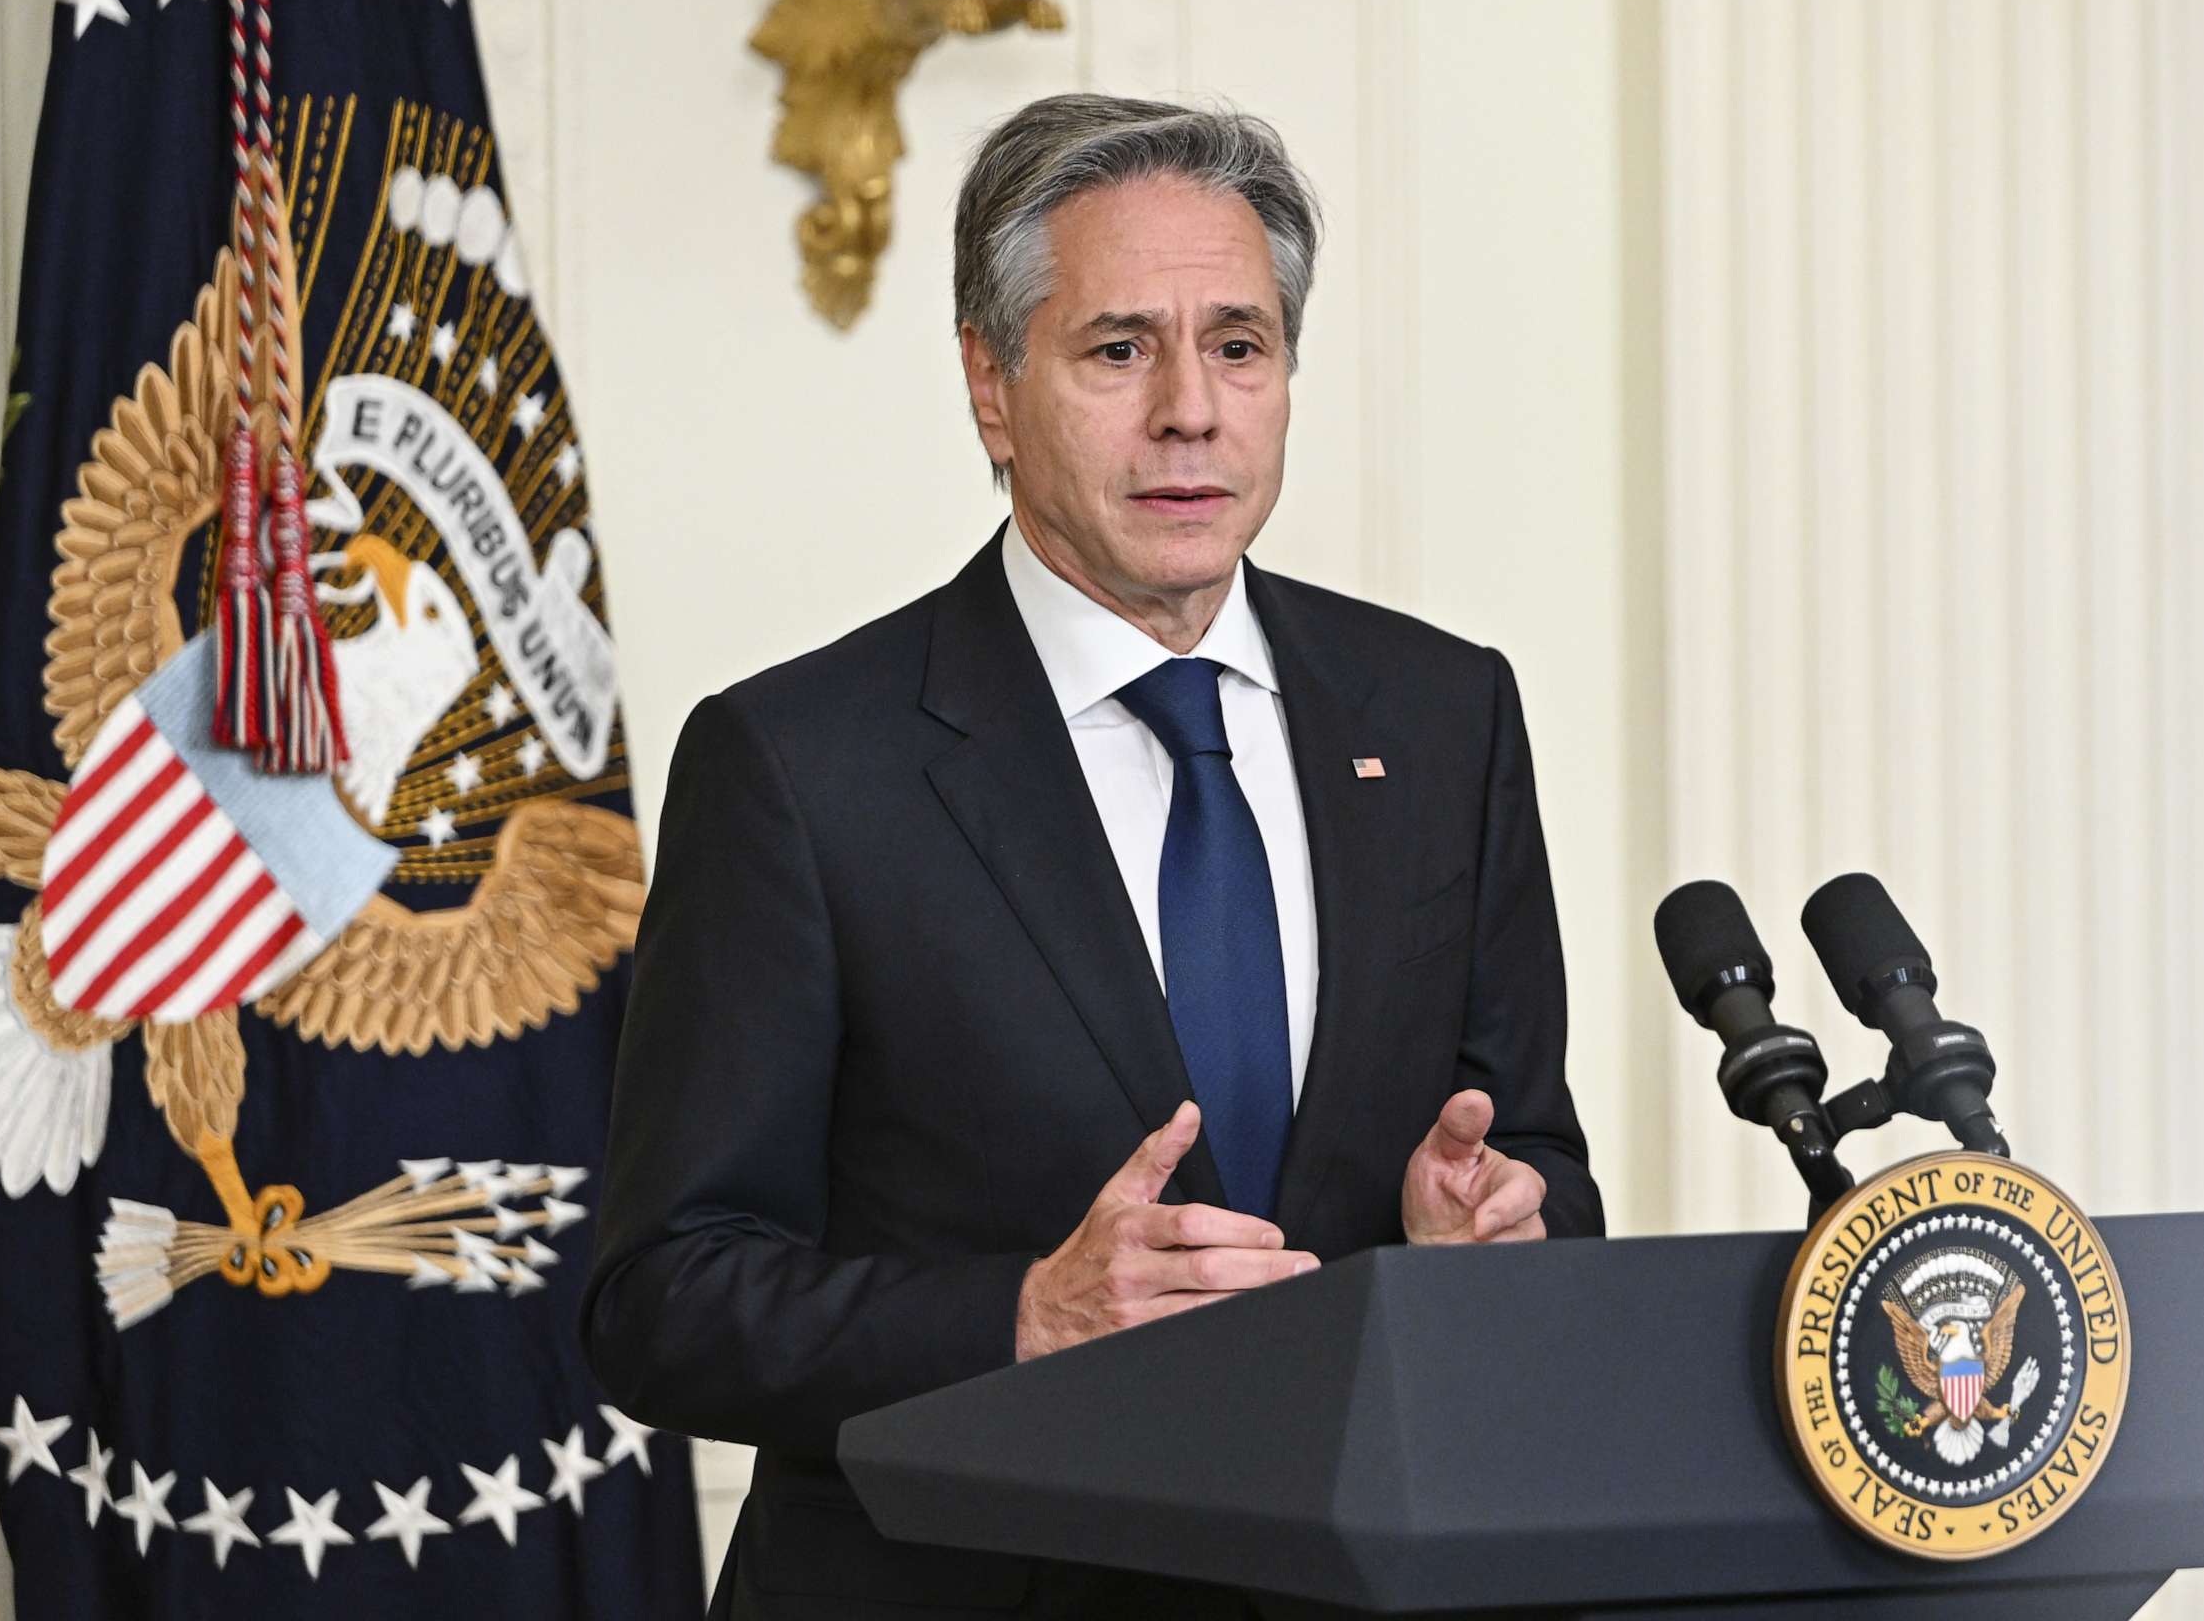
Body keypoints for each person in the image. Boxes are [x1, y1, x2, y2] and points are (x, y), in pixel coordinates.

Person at [583, 93, 1603, 1620]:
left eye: (1239, 346)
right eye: (1120, 349)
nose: (1191, 410)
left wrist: (1478, 1234)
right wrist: (1019, 1316)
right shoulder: (803, 765)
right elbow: (660, 1298)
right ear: (994, 390)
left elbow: (1544, 1169)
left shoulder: (1444, 712)